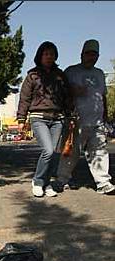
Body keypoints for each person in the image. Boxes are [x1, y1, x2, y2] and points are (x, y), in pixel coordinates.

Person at [56, 39, 115, 195]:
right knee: (71, 152)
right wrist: (72, 92)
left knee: (100, 152)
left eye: (94, 55)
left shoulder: (99, 73)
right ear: (82, 55)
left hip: (97, 122)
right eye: (88, 54)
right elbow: (60, 94)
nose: (91, 57)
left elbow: (102, 96)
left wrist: (105, 115)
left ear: (98, 56)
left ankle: (103, 182)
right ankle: (62, 179)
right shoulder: (71, 71)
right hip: (76, 121)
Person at [17, 41, 71, 197]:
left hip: (58, 118)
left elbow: (66, 97)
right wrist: (21, 119)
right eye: (46, 54)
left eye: (52, 54)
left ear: (55, 57)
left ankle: (47, 184)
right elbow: (25, 98)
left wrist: (70, 113)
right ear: (40, 56)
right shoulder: (32, 75)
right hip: (38, 117)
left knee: (54, 153)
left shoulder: (60, 75)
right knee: (47, 150)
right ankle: (38, 181)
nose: (49, 57)